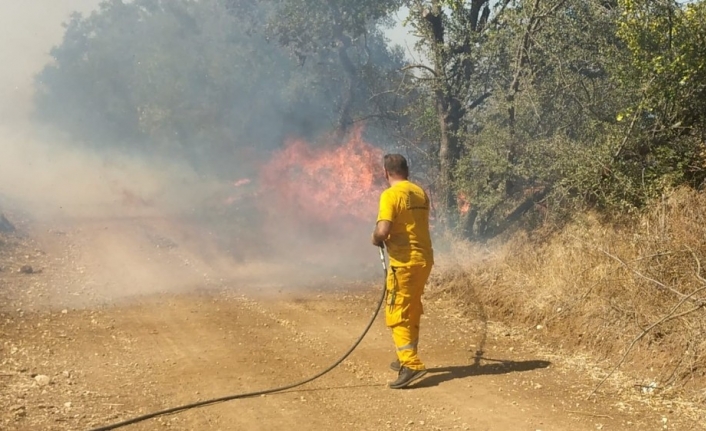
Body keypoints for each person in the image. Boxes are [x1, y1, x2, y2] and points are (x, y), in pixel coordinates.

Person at [371, 153, 434, 389]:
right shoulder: (419, 192)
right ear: (407, 170)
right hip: (424, 260)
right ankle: (406, 356)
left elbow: (383, 229)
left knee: (397, 310)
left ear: (386, 173)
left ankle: (412, 364)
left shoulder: (390, 195)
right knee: (412, 307)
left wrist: (376, 238)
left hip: (404, 262)